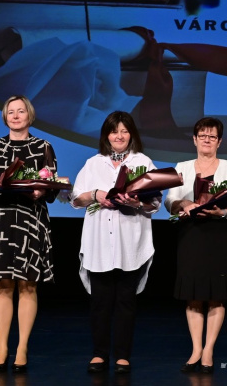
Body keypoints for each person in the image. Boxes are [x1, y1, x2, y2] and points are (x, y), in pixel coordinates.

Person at [0, 95, 60, 373]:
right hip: (0, 221)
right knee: (3, 285)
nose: (16, 116)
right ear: (5, 117)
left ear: (30, 115)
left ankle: (22, 348)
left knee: (28, 285)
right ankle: (2, 348)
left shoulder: (43, 146)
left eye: (21, 111)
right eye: (11, 112)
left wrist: (42, 190)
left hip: (30, 220)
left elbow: (51, 185)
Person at [70, 111, 161, 375]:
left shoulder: (143, 162)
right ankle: (99, 354)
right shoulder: (93, 163)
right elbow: (76, 199)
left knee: (125, 302)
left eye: (124, 130)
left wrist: (137, 202)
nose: (119, 136)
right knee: (100, 303)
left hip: (130, 241)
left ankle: (122, 356)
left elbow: (155, 203)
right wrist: (96, 194)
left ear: (131, 134)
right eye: (113, 131)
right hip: (99, 242)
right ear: (106, 136)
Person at [164, 117, 227, 374]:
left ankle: (209, 349)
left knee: (216, 294)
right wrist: (184, 204)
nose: (207, 140)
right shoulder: (182, 167)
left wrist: (222, 211)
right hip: (191, 234)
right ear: (194, 139)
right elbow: (170, 199)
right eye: (202, 136)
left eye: (212, 136)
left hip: (218, 233)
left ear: (219, 142)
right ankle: (196, 349)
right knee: (193, 294)